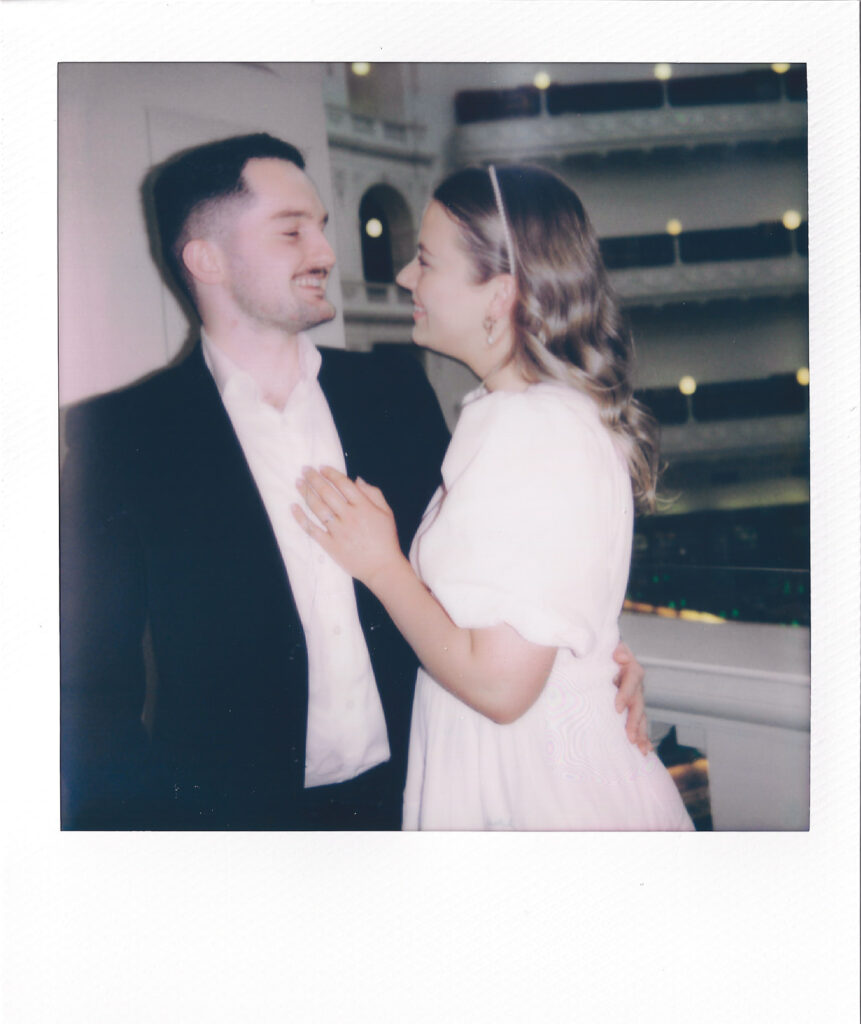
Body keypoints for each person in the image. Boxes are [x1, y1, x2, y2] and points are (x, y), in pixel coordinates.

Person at [60, 134, 649, 830]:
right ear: (206, 259)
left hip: (413, 798)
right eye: (292, 231)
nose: (326, 253)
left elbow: (497, 567)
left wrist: (589, 657)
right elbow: (90, 691)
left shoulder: (395, 390)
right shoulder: (123, 434)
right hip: (239, 829)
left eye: (322, 227)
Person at [294, 164, 693, 830]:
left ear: (498, 293)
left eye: (425, 261)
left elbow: (503, 688)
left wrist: (380, 564)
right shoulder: (538, 415)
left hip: (529, 788)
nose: (403, 278)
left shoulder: (531, 426)